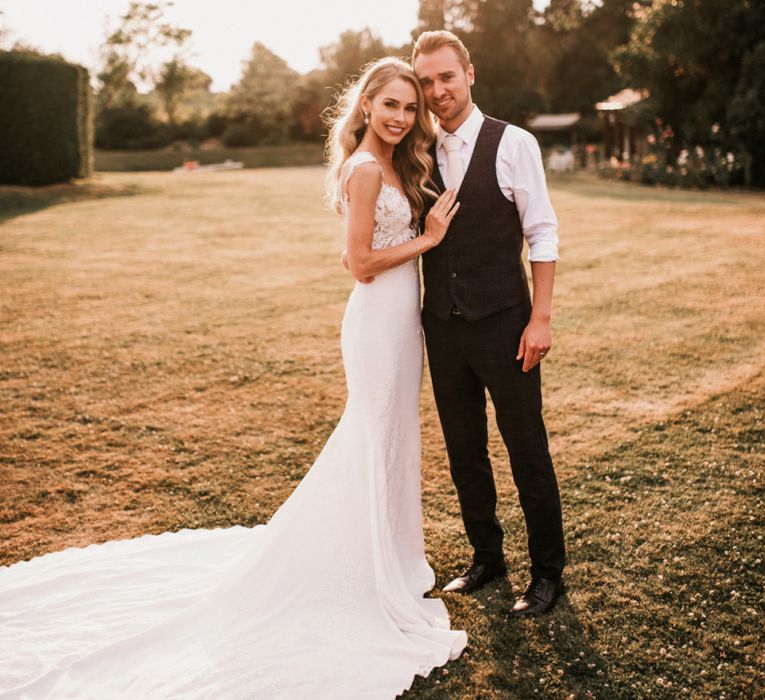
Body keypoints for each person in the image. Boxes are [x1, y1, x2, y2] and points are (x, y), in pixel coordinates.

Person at [0, 58, 466, 699]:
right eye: (390, 104)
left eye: (410, 108)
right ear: (364, 106)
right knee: (369, 435)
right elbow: (357, 262)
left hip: (399, 322)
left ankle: (389, 559)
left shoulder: (396, 163)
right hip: (376, 319)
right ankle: (360, 571)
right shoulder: (363, 170)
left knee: (389, 438)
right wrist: (429, 238)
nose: (401, 117)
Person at [411, 31, 567, 617]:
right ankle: (486, 556)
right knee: (463, 449)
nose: (436, 91)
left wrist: (541, 318)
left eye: (445, 77)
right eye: (425, 82)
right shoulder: (417, 149)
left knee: (527, 448)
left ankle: (548, 574)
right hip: (442, 328)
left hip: (506, 322)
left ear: (469, 74)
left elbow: (542, 232)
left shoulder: (513, 143)